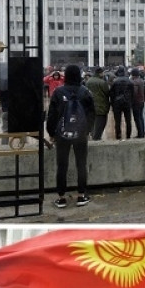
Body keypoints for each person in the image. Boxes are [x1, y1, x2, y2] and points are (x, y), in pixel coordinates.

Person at [45, 64, 93, 209]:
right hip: (80, 134)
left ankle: (61, 198)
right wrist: (88, 131)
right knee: (81, 164)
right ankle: (81, 195)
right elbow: (92, 113)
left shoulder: (58, 92)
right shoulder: (85, 91)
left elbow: (52, 115)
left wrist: (52, 133)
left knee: (62, 165)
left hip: (62, 134)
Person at [107, 66, 134, 140]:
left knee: (117, 121)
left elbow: (111, 94)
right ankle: (128, 136)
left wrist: (112, 103)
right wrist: (130, 102)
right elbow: (132, 93)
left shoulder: (115, 82)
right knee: (128, 121)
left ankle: (118, 136)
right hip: (127, 103)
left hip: (117, 104)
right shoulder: (129, 81)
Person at [84, 67, 110, 140]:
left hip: (90, 106)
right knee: (101, 123)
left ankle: (92, 135)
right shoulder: (102, 82)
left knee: (92, 122)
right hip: (101, 106)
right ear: (100, 73)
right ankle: (97, 138)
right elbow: (107, 93)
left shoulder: (88, 81)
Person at [129, 68, 145, 138]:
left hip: (136, 102)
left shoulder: (135, 82)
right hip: (141, 101)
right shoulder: (141, 81)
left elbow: (134, 93)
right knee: (141, 117)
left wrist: (130, 100)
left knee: (137, 119)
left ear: (133, 75)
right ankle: (142, 133)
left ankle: (140, 134)